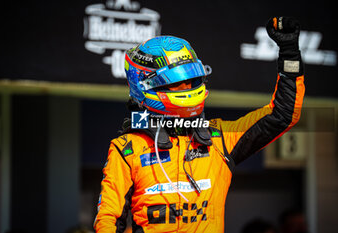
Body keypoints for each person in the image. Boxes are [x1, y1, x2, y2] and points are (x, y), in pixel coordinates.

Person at [94, 16, 305, 233]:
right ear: (145, 86)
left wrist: (289, 53)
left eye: (191, 80)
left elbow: (282, 115)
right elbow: (108, 220)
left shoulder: (219, 138)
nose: (186, 87)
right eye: (176, 83)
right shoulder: (127, 148)